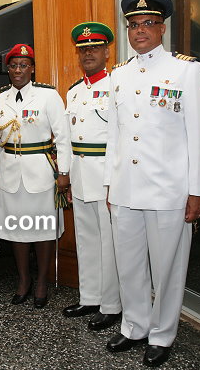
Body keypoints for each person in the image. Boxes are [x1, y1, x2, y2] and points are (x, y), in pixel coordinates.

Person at [104, 0, 200, 367]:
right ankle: (134, 326)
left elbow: (197, 135)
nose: (140, 30)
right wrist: (110, 185)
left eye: (148, 23)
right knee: (129, 264)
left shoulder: (186, 70)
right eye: (133, 24)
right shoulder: (119, 74)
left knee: (168, 269)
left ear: (162, 28)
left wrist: (197, 191)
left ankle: (162, 334)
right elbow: (114, 136)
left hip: (168, 190)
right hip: (126, 188)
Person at [0, 44, 70, 308]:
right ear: (8, 69)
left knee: (43, 229)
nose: (18, 70)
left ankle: (42, 282)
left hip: (41, 171)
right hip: (10, 172)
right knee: (16, 230)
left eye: (23, 65)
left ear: (32, 68)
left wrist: (64, 172)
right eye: (13, 65)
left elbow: (63, 136)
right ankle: (24, 280)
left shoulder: (48, 96)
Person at [62, 22, 121, 329]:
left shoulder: (116, 86)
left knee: (109, 243)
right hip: (81, 174)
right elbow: (69, 139)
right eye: (83, 50)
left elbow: (120, 139)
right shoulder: (74, 91)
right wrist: (68, 176)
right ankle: (90, 297)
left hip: (106, 176)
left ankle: (111, 305)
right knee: (86, 240)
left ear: (107, 52)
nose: (88, 54)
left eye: (95, 48)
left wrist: (114, 180)